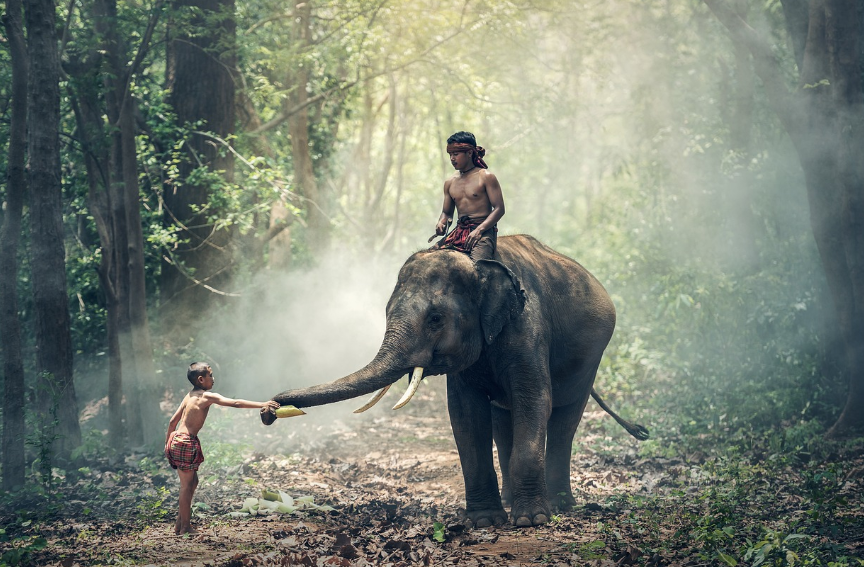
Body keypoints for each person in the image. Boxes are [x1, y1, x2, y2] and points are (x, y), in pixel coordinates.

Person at [165, 362, 280, 535]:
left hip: (178, 440)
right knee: (186, 487)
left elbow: (172, 422)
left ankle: (180, 524)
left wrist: (168, 444)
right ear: (201, 379)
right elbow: (235, 403)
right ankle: (185, 528)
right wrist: (263, 403)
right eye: (211, 375)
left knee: (192, 483)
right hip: (186, 441)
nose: (213, 378)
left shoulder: (189, 396)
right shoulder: (206, 397)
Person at [431, 131, 505, 261]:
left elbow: (499, 209)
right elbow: (447, 212)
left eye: (456, 154)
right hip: (459, 232)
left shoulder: (486, 177)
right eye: (450, 155)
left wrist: (480, 230)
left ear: (469, 153)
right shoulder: (450, 182)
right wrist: (442, 221)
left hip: (483, 232)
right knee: (429, 258)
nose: (452, 159)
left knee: (477, 268)